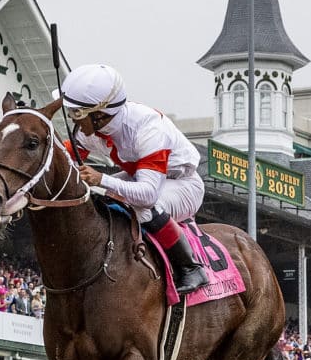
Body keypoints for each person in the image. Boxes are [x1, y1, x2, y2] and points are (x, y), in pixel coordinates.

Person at [61, 64, 209, 294]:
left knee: (145, 209)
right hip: (140, 175)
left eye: (77, 114)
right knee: (100, 200)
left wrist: (101, 178)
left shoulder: (148, 130)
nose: (73, 121)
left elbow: (148, 194)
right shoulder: (93, 129)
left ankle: (191, 268)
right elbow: (63, 158)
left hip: (183, 183)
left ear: (100, 114)